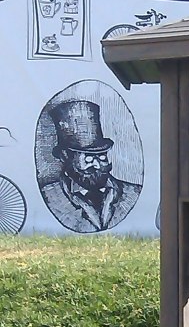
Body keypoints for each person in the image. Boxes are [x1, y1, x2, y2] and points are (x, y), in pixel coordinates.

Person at [40, 99, 141, 233]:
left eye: (102, 156)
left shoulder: (132, 192)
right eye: (88, 158)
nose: (97, 165)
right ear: (65, 156)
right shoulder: (50, 196)